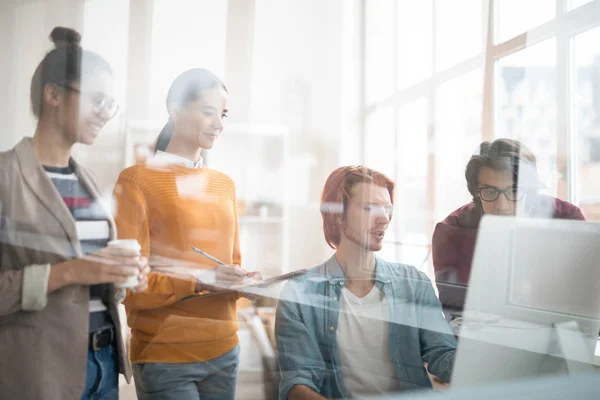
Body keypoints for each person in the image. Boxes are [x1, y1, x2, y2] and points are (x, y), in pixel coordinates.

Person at [0, 27, 149, 400]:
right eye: (97, 100)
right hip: (40, 371)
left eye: (110, 104)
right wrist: (71, 272)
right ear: (53, 94)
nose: (105, 113)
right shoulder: (5, 175)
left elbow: (92, 279)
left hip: (104, 361)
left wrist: (120, 276)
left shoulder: (88, 181)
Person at [113, 68, 262, 400]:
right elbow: (128, 287)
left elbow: (231, 265)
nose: (219, 124)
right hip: (165, 355)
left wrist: (248, 282)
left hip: (225, 348)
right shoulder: (136, 180)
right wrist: (200, 280)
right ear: (175, 109)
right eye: (208, 112)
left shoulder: (225, 185)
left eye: (223, 114)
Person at [275, 166, 456, 399]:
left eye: (387, 209)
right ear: (338, 215)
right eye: (369, 208)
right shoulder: (299, 293)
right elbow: (297, 384)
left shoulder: (413, 283)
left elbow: (444, 357)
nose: (384, 218)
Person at [432, 139, 585, 318]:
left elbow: (585, 297)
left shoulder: (567, 218)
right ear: (475, 192)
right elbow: (458, 315)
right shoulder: (452, 232)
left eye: (514, 191)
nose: (502, 206)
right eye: (490, 192)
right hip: (484, 337)